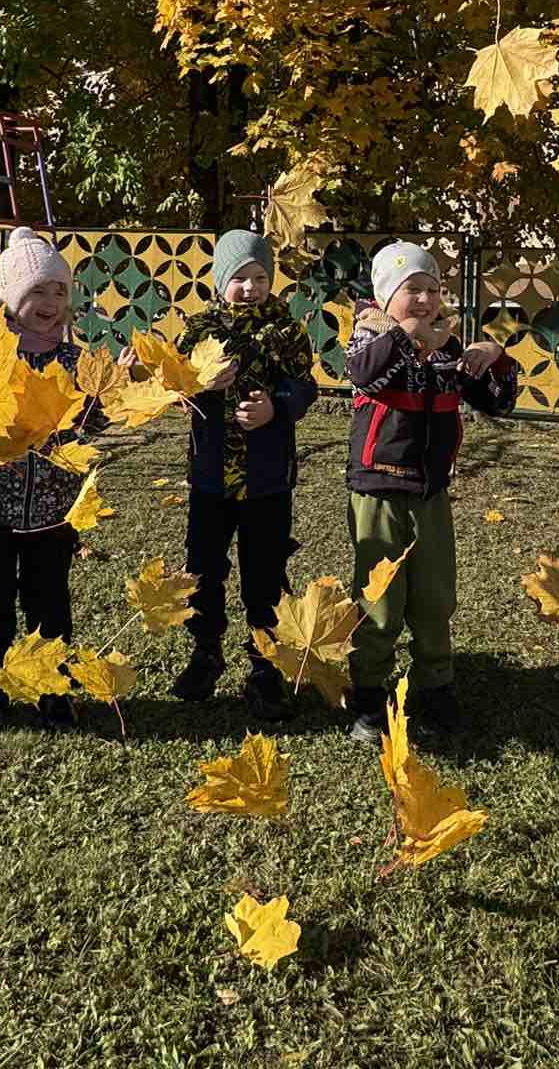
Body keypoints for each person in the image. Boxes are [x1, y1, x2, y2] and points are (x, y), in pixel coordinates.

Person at [0, 226, 131, 740]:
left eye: (58, 291)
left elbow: (86, 425)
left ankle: (52, 687)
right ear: (9, 297)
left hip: (50, 506)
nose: (49, 302)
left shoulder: (73, 361)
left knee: (49, 600)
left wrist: (107, 396)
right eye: (36, 292)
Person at [345, 241, 517, 745]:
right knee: (380, 597)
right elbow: (366, 375)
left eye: (431, 290)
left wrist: (495, 358)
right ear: (385, 296)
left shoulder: (447, 347)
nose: (423, 300)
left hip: (430, 492)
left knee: (435, 595)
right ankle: (369, 692)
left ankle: (435, 683)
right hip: (378, 488)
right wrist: (406, 338)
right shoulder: (369, 335)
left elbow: (496, 402)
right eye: (410, 290)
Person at [170, 229, 317, 722]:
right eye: (240, 277)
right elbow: (174, 383)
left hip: (267, 480)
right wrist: (199, 382)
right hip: (211, 479)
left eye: (260, 277)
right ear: (219, 279)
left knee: (265, 575)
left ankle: (265, 665)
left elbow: (305, 384)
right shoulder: (199, 328)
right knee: (203, 570)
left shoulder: (286, 329)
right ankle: (206, 651)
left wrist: (278, 406)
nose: (251, 287)